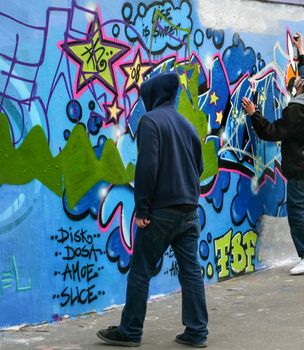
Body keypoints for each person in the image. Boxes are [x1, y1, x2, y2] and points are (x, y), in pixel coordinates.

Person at [97, 72, 209, 348]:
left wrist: (143, 208)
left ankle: (130, 331)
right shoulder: (187, 124)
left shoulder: (149, 122)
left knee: (140, 270)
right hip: (189, 209)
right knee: (191, 270)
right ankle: (197, 332)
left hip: (161, 211)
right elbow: (200, 167)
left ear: (154, 96)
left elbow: (147, 166)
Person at [241, 33, 304, 275]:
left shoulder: (296, 112)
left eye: (299, 80)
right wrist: (300, 49)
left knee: (296, 209)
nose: (297, 80)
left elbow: (271, 132)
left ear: (302, 87)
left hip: (300, 168)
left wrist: (254, 115)